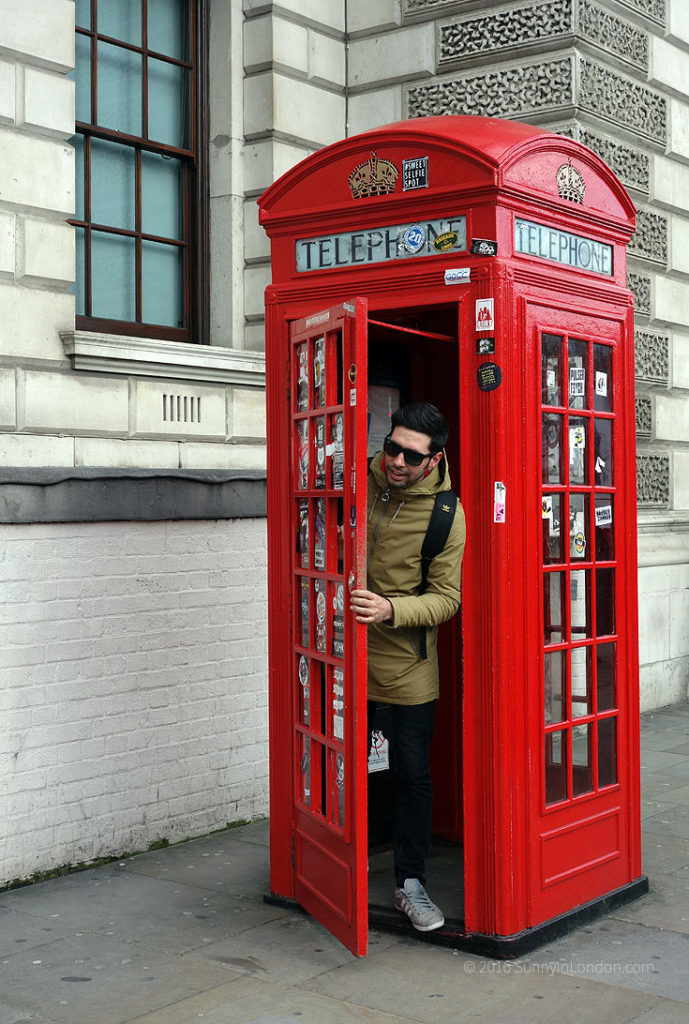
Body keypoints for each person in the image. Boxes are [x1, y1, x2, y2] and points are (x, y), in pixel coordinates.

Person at [350, 402, 466, 932]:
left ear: (434, 457)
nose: (394, 460)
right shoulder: (359, 481)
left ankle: (409, 884)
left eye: (409, 454)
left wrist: (392, 608)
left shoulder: (446, 513)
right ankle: (334, 873)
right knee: (344, 769)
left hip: (406, 672)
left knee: (411, 777)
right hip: (343, 658)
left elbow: (447, 599)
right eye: (390, 446)